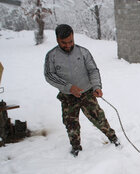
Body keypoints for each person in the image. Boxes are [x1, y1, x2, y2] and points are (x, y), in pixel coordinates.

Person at [44, 24, 120, 157]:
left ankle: (113, 138)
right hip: (68, 96)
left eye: (71, 41)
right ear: (57, 40)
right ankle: (76, 147)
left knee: (99, 118)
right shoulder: (52, 56)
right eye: (64, 43)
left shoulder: (83, 52)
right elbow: (49, 75)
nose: (68, 45)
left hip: (87, 93)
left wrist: (96, 86)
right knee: (70, 123)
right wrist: (69, 87)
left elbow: (93, 70)